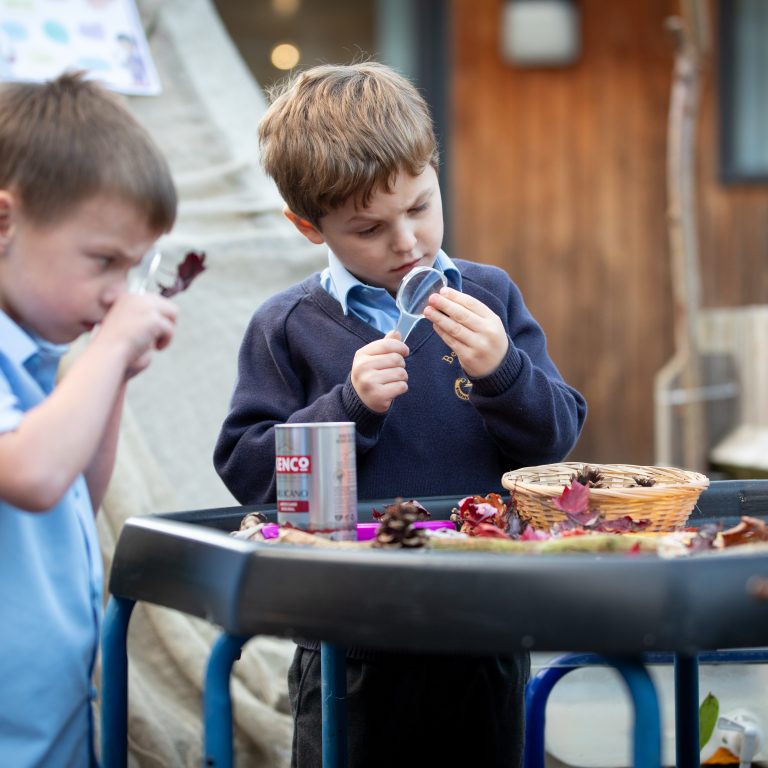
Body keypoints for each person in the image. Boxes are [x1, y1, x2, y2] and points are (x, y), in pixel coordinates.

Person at [214, 62, 586, 768]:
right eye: (368, 228)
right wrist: (347, 408)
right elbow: (251, 476)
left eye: (419, 207)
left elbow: (554, 443)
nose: (407, 242)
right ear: (307, 227)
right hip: (350, 639)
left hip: (484, 626)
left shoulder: (490, 297)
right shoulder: (288, 326)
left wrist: (502, 371)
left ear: (436, 172)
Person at [0, 72, 178, 765]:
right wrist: (108, 349)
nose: (117, 295)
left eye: (132, 270)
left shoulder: (37, 361)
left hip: (52, 732)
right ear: (6, 222)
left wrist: (116, 383)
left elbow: (76, 499)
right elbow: (35, 475)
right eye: (103, 261)